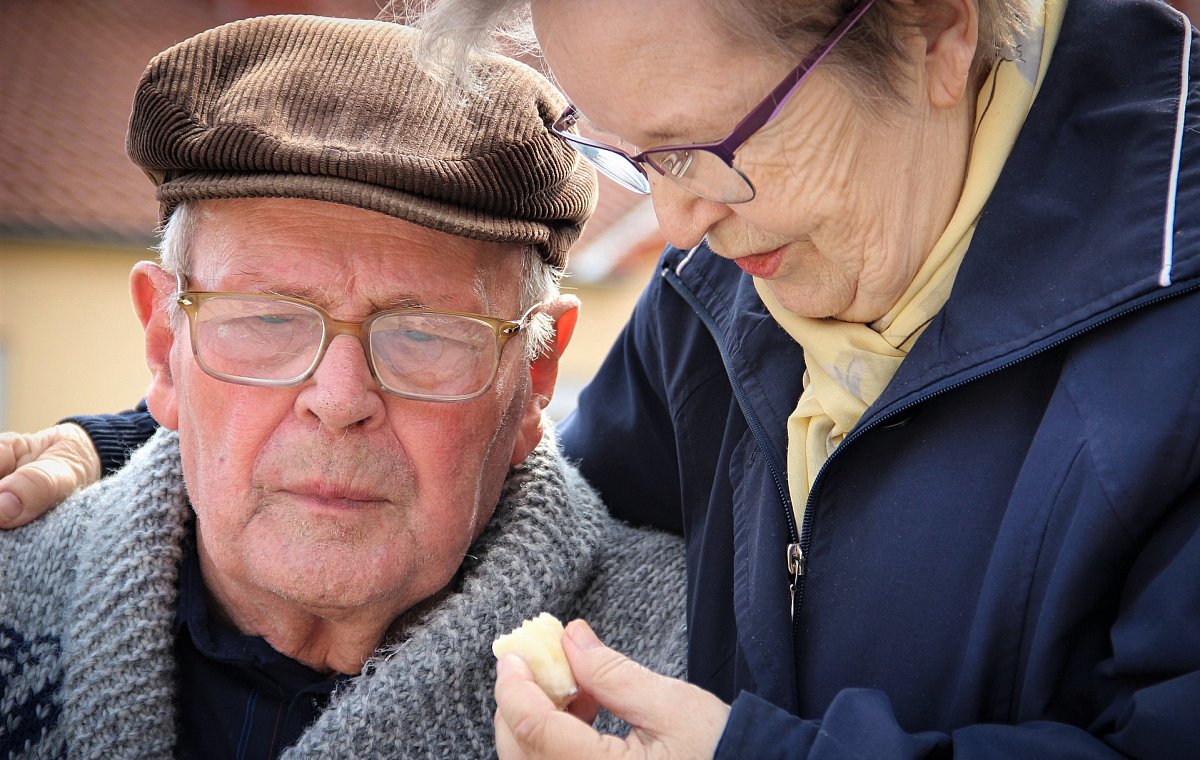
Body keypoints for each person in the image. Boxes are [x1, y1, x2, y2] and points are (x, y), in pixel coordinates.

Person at [4, 0, 1200, 757]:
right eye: (629, 158)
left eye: (711, 146)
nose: (676, 226)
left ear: (938, 29)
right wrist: (122, 457)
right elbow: (483, 461)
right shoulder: (732, 279)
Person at [0, 14, 689, 759]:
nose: (337, 399)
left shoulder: (693, 664)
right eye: (267, 320)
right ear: (166, 348)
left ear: (535, 377)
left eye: (423, 333)